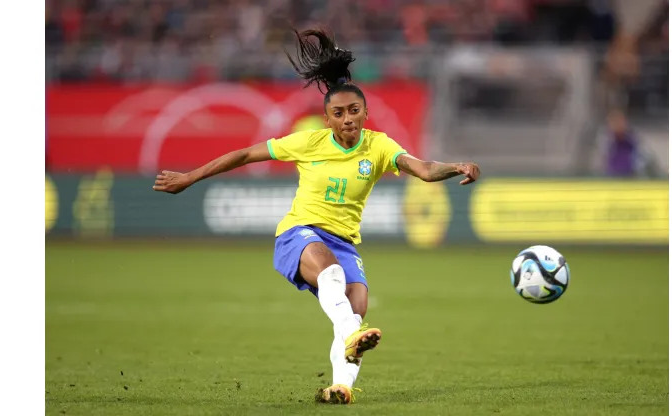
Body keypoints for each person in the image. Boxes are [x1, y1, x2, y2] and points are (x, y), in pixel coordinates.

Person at [152, 28, 481, 405]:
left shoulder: (378, 146)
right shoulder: (308, 143)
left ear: (365, 113)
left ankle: (341, 387)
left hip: (344, 242)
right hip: (299, 234)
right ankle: (348, 336)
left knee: (357, 307)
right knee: (334, 281)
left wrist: (456, 166)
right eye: (338, 113)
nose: (347, 120)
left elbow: (423, 169)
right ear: (327, 120)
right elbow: (244, 155)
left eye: (354, 111)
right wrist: (190, 177)